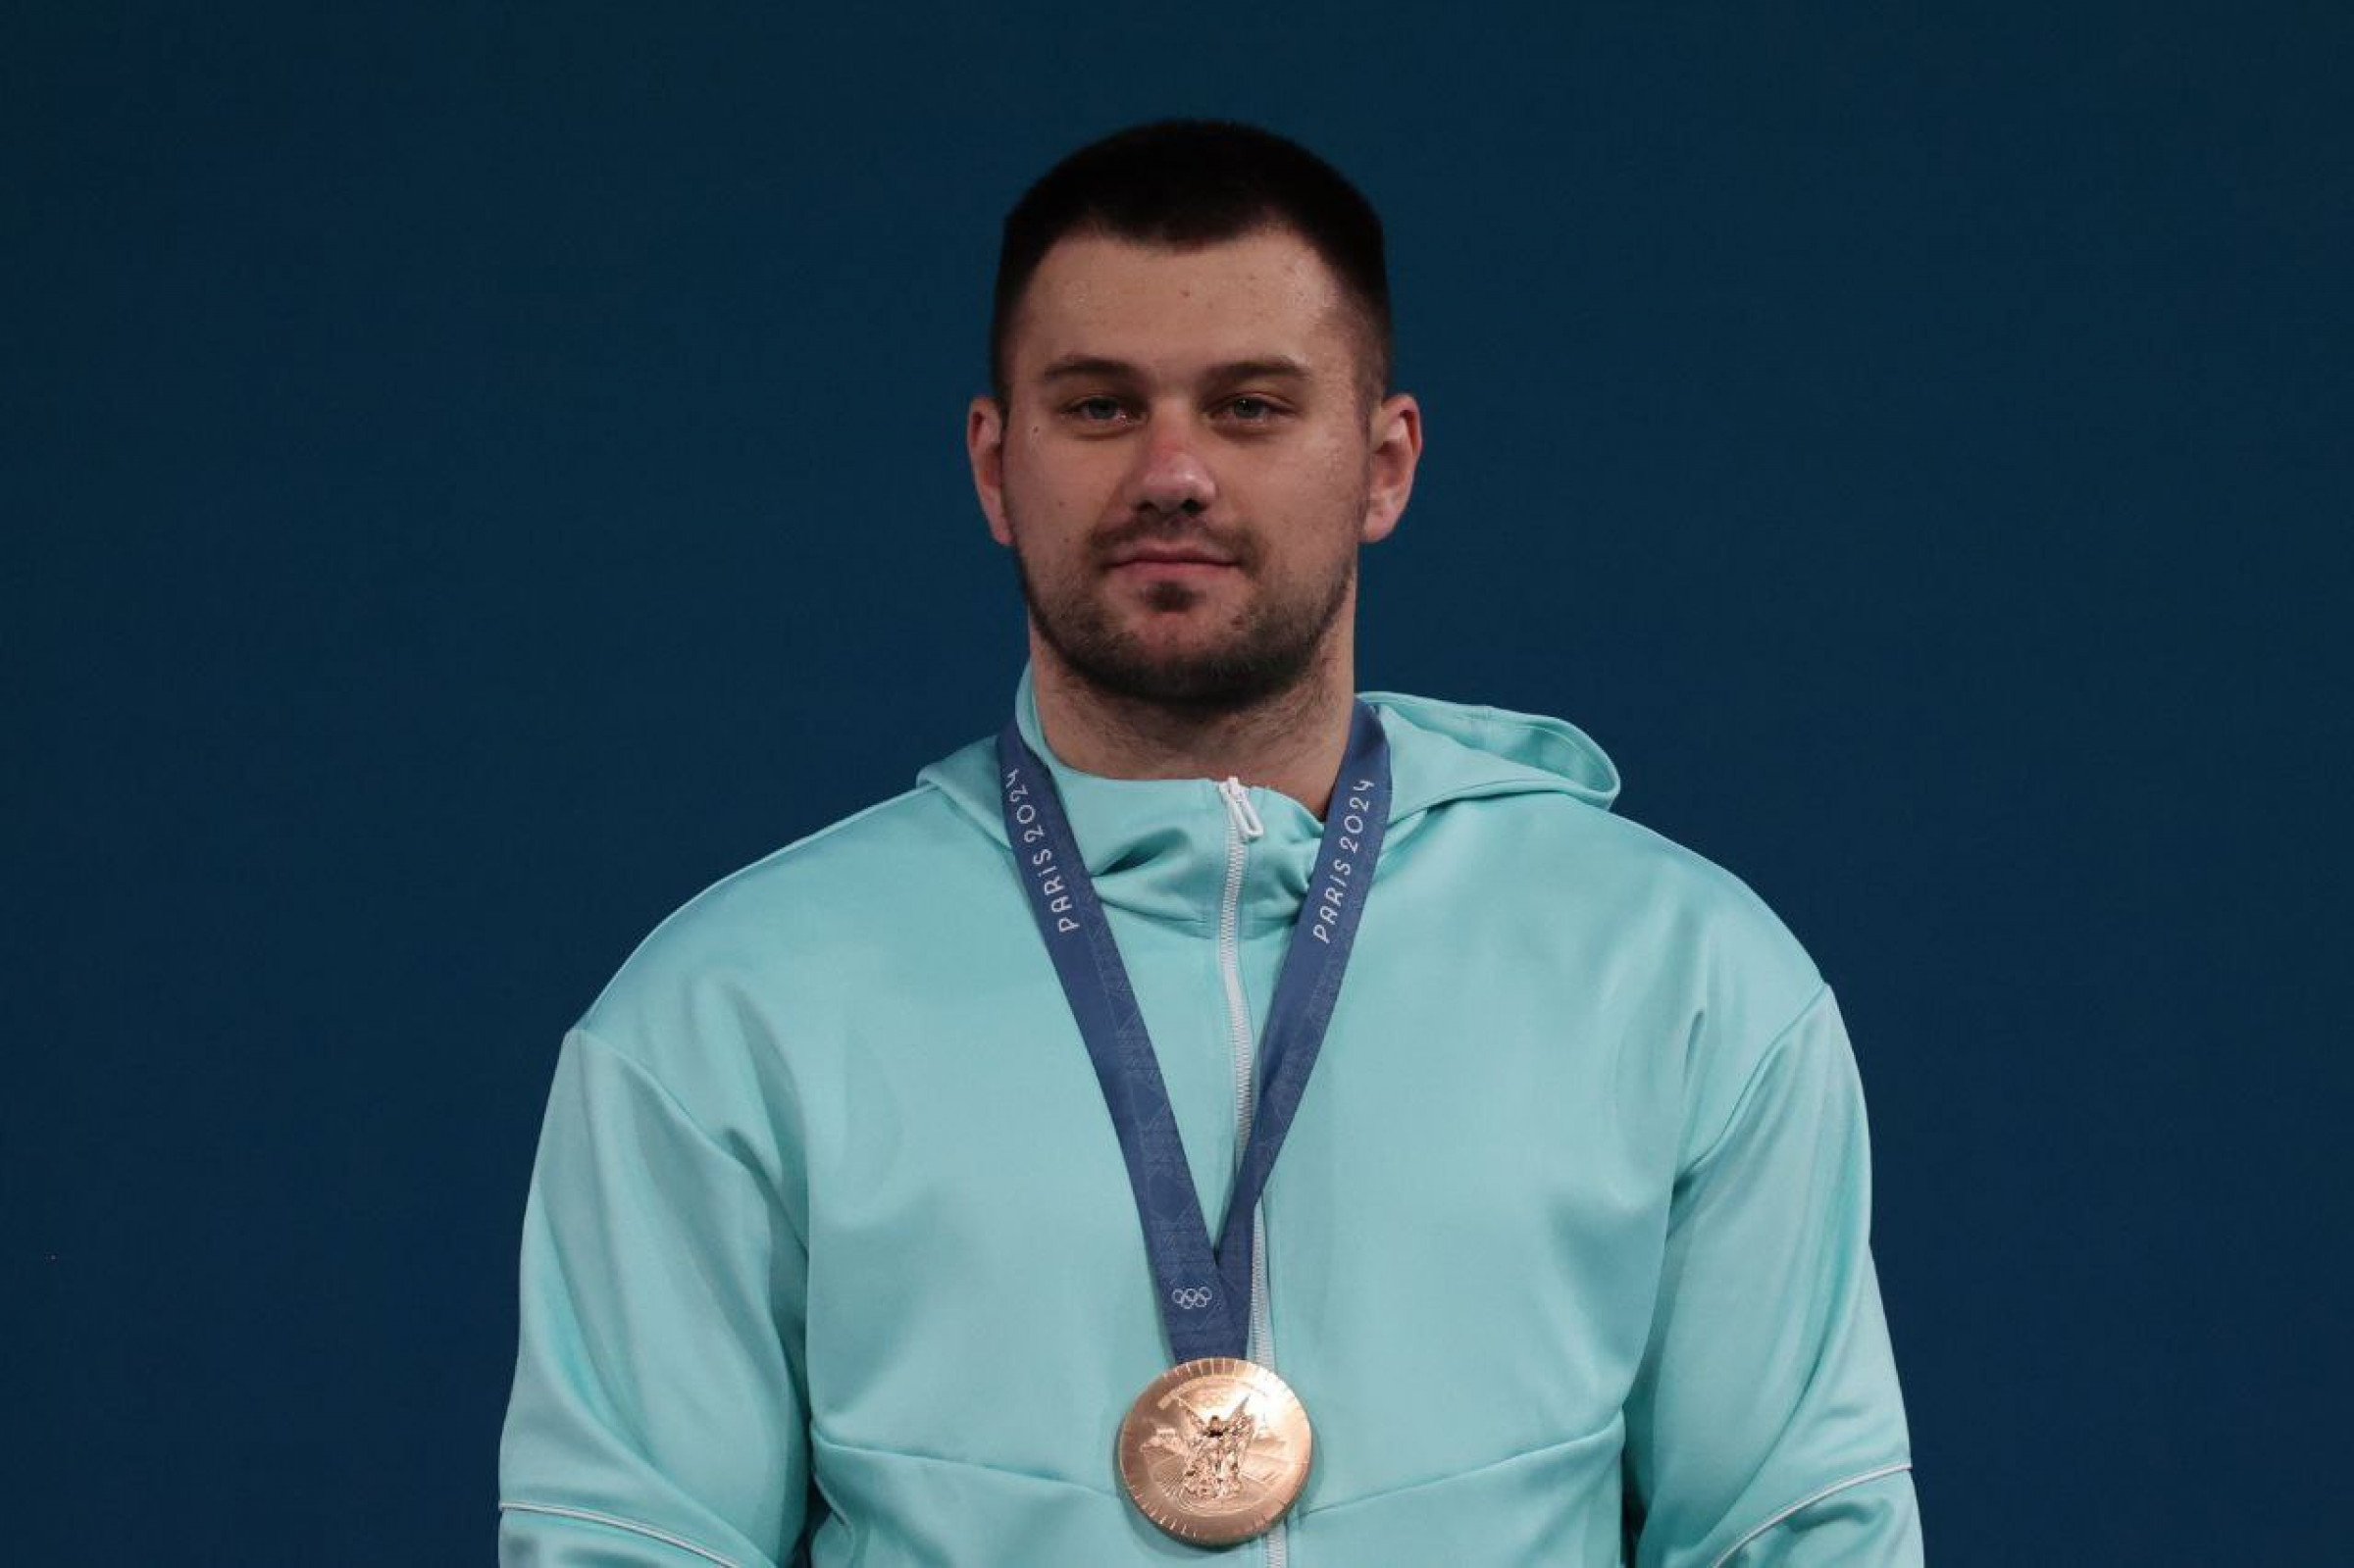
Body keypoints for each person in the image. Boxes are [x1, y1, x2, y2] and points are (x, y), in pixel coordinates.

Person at [496, 119, 1921, 1566]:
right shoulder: (729, 1014)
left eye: (1249, 407)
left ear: (1383, 464)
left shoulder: (1679, 978)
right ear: (994, 467)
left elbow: (1804, 1538)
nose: (1172, 472)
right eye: (1100, 407)